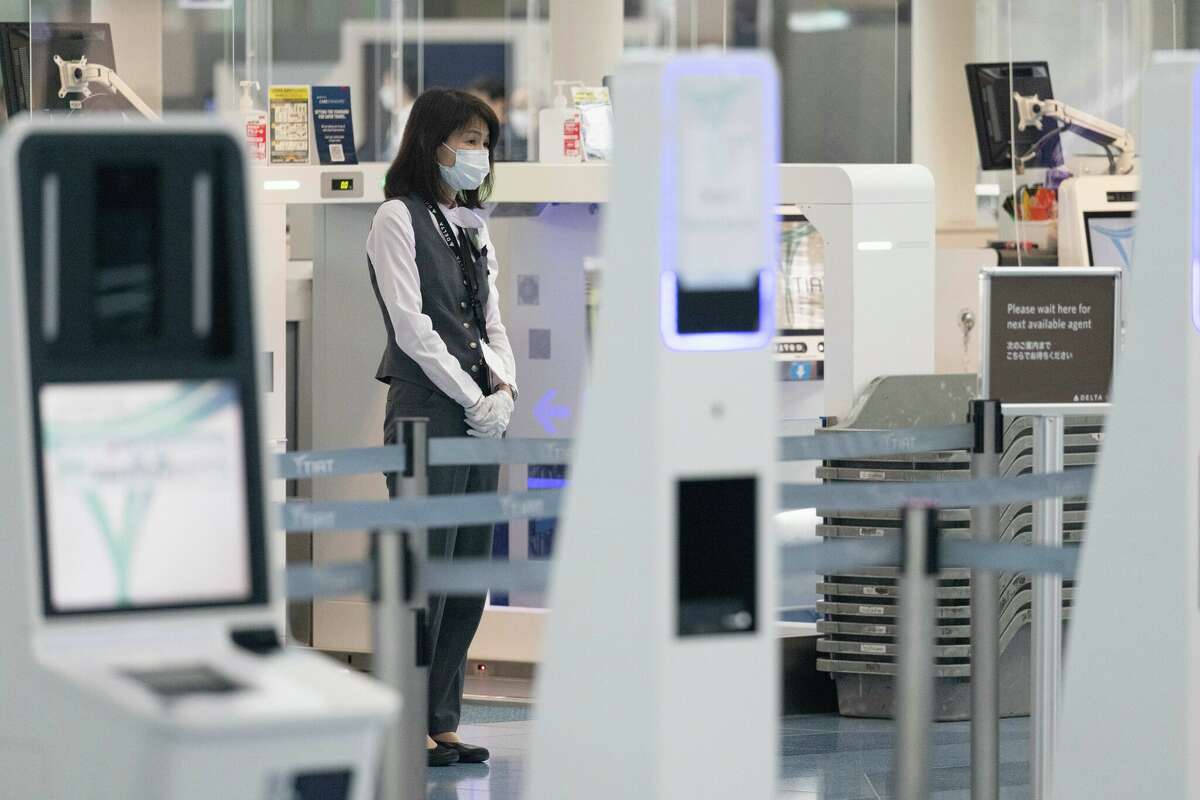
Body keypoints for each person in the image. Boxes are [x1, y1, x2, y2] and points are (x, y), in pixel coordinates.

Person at [366, 88, 518, 768]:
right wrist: (468, 394)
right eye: (468, 139)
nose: (478, 153)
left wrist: (505, 389)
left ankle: (444, 718)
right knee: (425, 573)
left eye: (485, 142)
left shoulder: (477, 226)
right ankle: (406, 720)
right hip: (427, 409)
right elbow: (412, 326)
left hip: (483, 415)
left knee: (467, 571)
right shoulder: (396, 219)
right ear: (433, 144)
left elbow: (492, 322)